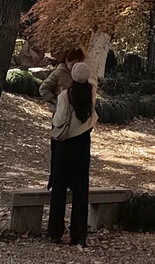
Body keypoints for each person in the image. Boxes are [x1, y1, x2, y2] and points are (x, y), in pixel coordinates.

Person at [48, 62, 98, 246]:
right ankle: (79, 235)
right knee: (80, 191)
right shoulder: (91, 94)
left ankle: (55, 232)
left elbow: (59, 119)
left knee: (59, 189)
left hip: (65, 145)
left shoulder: (65, 96)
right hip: (83, 144)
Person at [40, 48, 86, 190]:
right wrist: (56, 103)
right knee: (58, 152)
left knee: (73, 153)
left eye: (78, 63)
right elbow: (43, 89)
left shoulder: (81, 75)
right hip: (60, 118)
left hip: (76, 119)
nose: (75, 67)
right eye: (73, 64)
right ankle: (55, 182)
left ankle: (71, 182)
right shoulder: (58, 73)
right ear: (67, 61)